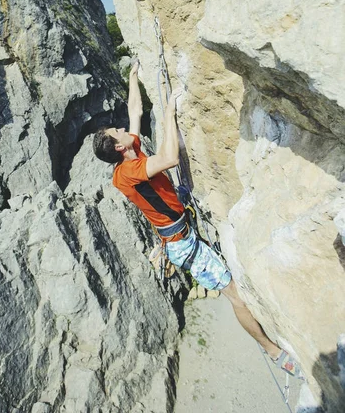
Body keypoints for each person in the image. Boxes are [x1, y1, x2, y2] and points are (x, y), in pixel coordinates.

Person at [93, 60, 303, 378]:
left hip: (182, 229)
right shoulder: (126, 174)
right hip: (182, 244)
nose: (123, 129)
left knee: (235, 282)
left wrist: (133, 75)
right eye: (118, 132)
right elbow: (169, 158)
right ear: (119, 147)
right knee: (235, 294)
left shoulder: (130, 148)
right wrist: (169, 111)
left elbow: (134, 110)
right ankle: (272, 350)